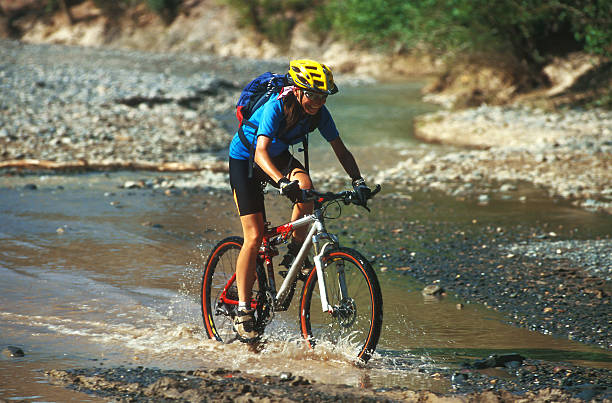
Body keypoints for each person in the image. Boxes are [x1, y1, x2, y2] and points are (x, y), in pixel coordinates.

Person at [228, 59, 372, 342]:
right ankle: (243, 310)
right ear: (297, 90)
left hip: (276, 155)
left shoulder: (320, 113)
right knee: (254, 236)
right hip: (247, 157)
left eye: (323, 96)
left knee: (307, 186)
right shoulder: (277, 106)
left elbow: (340, 150)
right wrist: (282, 183)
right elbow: (260, 153)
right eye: (313, 95)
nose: (318, 102)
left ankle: (296, 251)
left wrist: (358, 181)